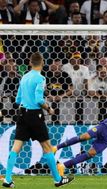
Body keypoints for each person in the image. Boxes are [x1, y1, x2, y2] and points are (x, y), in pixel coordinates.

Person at [2, 52, 74, 188]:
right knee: (47, 148)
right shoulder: (40, 78)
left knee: (16, 147)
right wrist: (49, 109)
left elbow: (17, 100)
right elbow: (39, 100)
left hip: (22, 114)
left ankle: (8, 179)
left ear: (30, 63)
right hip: (35, 115)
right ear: (42, 63)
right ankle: (58, 180)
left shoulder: (24, 77)